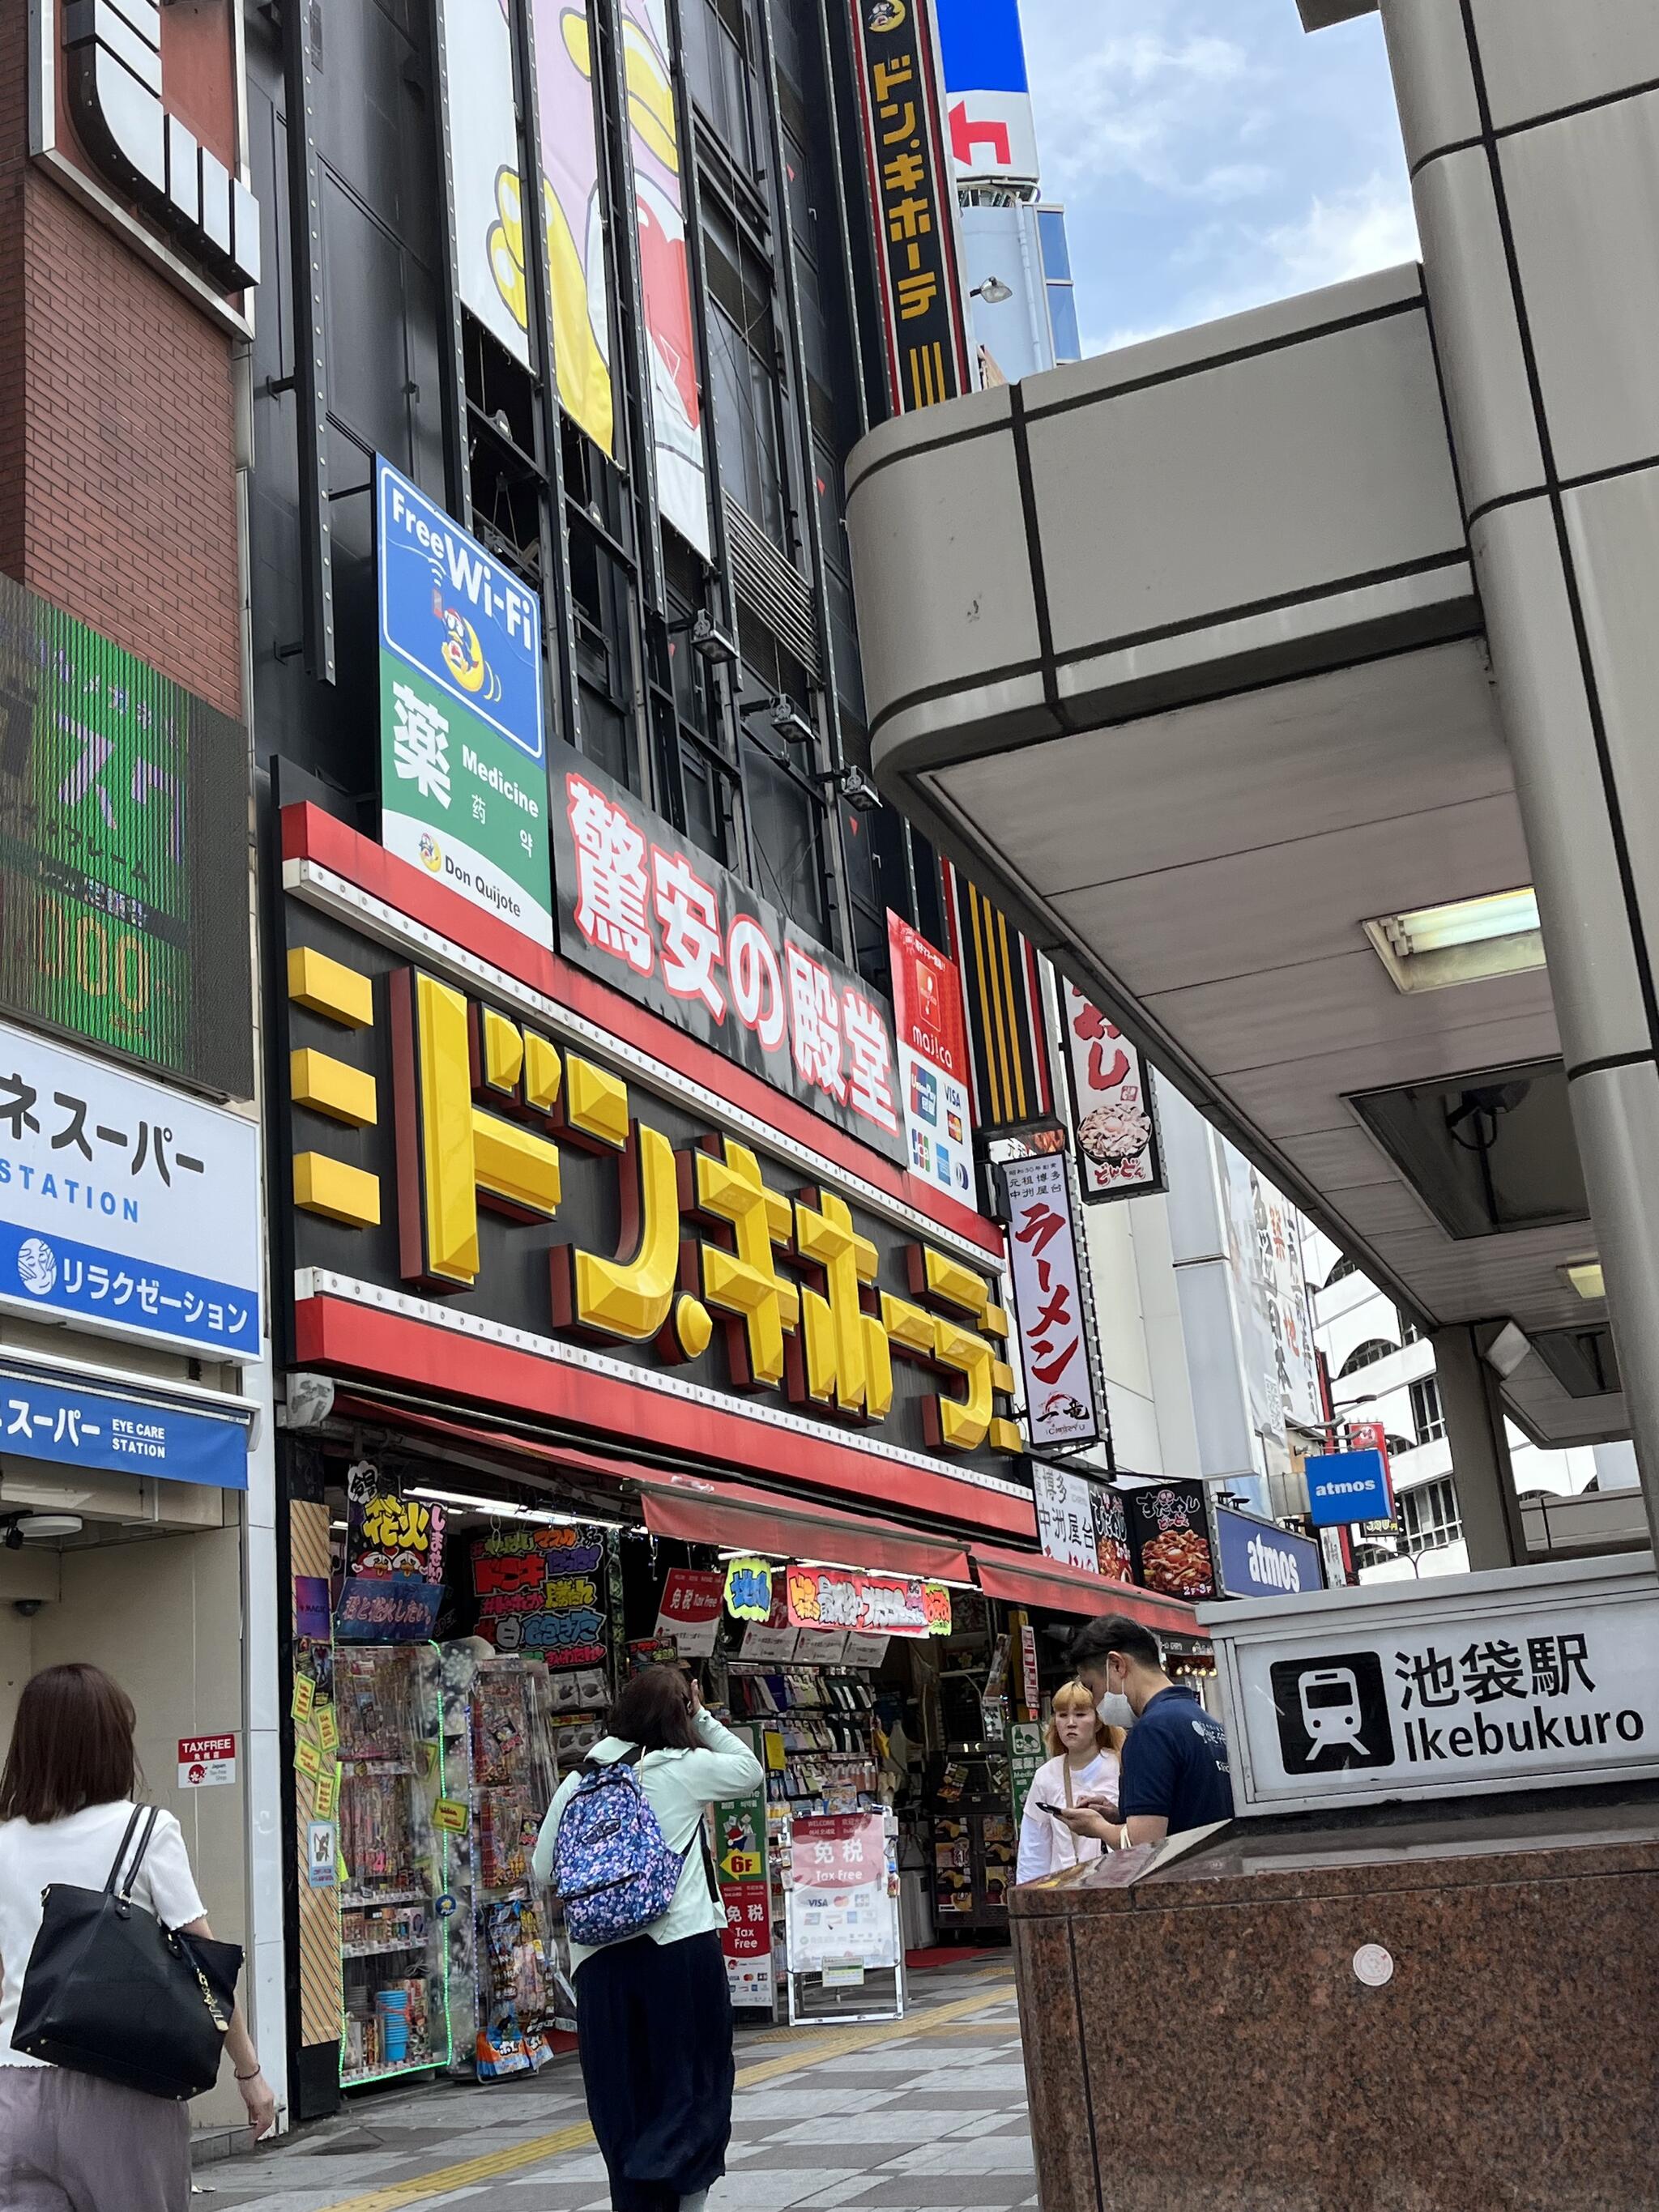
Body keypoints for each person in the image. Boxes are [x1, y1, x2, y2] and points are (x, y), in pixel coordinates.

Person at [0, 1663, 277, 2212]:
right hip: (120, 2089)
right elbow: (206, 1969)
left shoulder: (4, 1839)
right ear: (110, 1741)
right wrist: (249, 2073)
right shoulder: (146, 1831)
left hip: (14, 2090)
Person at [533, 1664, 763, 2212]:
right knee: (694, 2087)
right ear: (677, 1715)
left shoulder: (578, 1779)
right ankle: (687, 2198)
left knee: (623, 2098)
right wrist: (701, 1712)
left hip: (599, 1968)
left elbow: (545, 1868)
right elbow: (749, 1769)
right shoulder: (680, 1767)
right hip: (678, 1951)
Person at [1052, 1615, 1233, 1850]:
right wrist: (1120, 1816)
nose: (1095, 1701)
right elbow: (1186, 1813)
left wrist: (1097, 1826)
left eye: (1092, 1687)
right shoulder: (1204, 1721)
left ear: (1117, 1665)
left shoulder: (1150, 1732)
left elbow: (1144, 1843)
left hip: (1179, 1877)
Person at [1015, 1681, 1124, 1883]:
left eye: (1081, 1714)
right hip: (1065, 1888)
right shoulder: (1046, 1775)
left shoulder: (1120, 1766)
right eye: (1063, 1715)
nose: (1070, 1723)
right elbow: (1034, 1847)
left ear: (1099, 1721)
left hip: (1116, 1882)